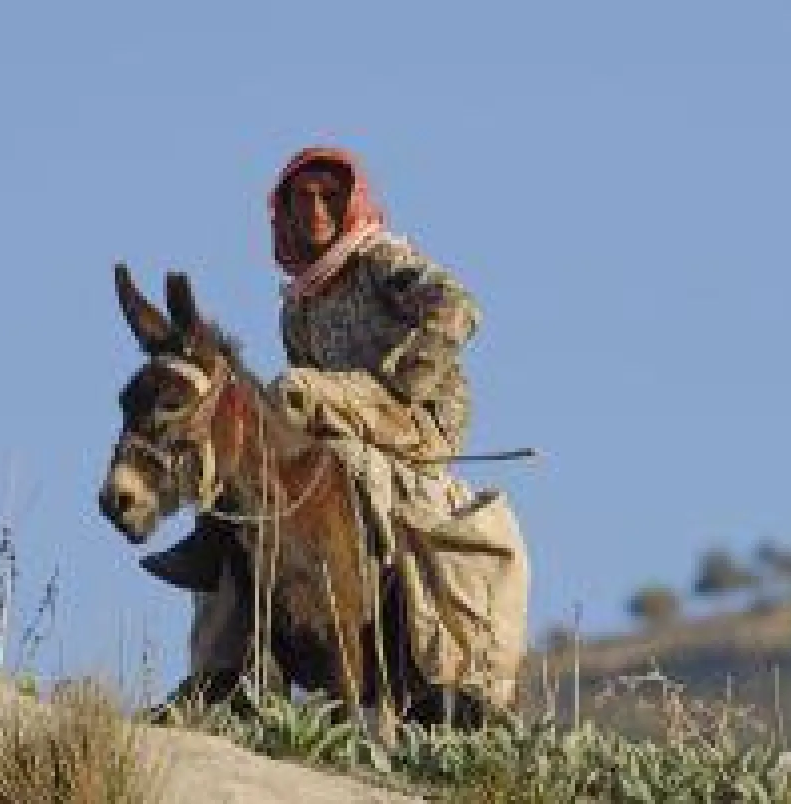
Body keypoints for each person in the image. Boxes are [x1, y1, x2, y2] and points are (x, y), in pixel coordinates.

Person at [144, 146, 526, 718]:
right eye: (302, 198)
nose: (316, 209)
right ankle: (223, 658)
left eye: (330, 197)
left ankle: (427, 642)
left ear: (352, 203)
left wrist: (405, 376)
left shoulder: (381, 260)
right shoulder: (296, 305)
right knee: (244, 465)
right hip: (341, 418)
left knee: (289, 393)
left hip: (412, 416)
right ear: (284, 212)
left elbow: (458, 309)